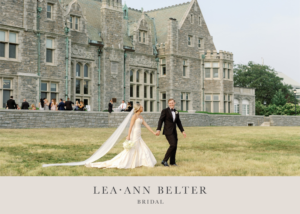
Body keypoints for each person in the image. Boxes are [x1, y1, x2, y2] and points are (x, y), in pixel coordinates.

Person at [85, 103, 157, 169]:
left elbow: (146, 125)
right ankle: (128, 162)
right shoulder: (134, 116)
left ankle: (139, 162)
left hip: (139, 134)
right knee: (133, 148)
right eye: (141, 107)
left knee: (140, 147)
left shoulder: (140, 116)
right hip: (134, 134)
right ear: (138, 108)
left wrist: (153, 132)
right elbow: (130, 127)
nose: (143, 108)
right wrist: (129, 136)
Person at [156, 99, 186, 167]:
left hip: (174, 131)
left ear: (174, 103)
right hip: (167, 131)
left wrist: (182, 131)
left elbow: (178, 122)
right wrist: (158, 129)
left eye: (172, 103)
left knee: (175, 146)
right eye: (170, 103)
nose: (171, 104)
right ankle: (164, 160)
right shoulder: (165, 111)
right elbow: (160, 120)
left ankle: (172, 162)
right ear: (168, 103)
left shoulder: (176, 112)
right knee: (173, 145)